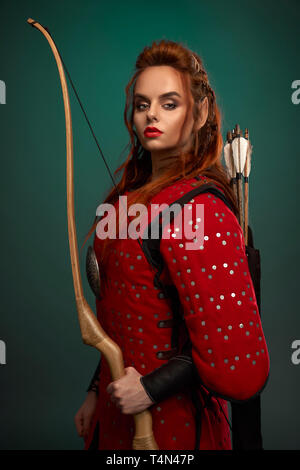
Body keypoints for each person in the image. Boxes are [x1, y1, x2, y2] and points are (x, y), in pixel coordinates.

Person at [74, 39, 270, 450]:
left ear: (199, 114)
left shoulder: (203, 209)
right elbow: (124, 314)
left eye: (169, 103)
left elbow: (234, 361)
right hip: (116, 411)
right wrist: (97, 389)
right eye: (143, 104)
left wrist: (150, 388)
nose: (151, 115)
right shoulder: (125, 201)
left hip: (172, 423)